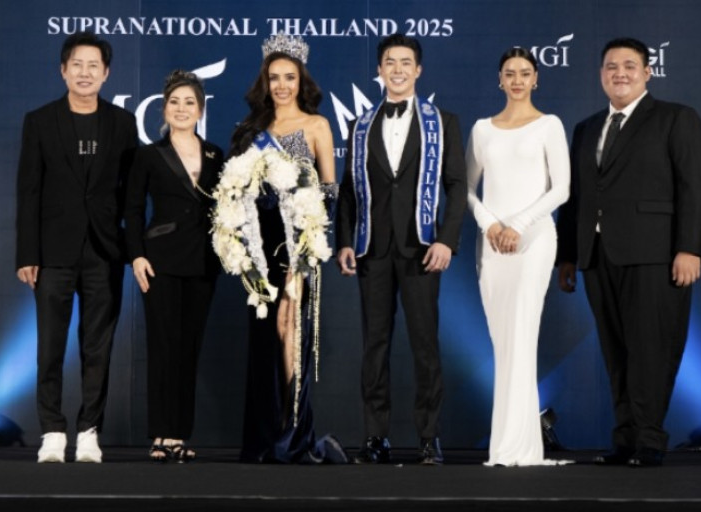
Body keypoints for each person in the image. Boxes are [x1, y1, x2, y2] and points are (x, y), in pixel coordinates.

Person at [557, 37, 701, 467]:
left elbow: (695, 189)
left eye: (629, 66)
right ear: (601, 74)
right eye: (611, 66)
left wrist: (689, 248)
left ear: (648, 72)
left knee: (652, 350)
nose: (619, 73)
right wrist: (567, 255)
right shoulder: (587, 128)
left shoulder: (676, 118)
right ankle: (625, 439)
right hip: (597, 255)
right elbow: (576, 198)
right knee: (616, 352)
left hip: (655, 255)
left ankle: (649, 440)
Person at [336, 34, 467, 465]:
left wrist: (446, 239)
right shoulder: (360, 124)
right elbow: (348, 191)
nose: (397, 69)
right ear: (379, 70)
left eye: (405, 62)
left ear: (418, 70)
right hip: (372, 247)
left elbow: (456, 185)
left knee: (425, 346)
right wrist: (344, 241)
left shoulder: (442, 122)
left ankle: (429, 438)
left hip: (421, 247)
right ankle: (376, 437)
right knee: (374, 346)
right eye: (390, 62)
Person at [15, 31, 138, 463]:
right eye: (77, 65)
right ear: (63, 70)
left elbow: (130, 193)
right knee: (50, 346)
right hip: (52, 252)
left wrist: (132, 247)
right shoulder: (39, 121)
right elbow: (28, 191)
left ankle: (88, 431)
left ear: (106, 74)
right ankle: (52, 431)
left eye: (93, 66)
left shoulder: (122, 123)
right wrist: (27, 254)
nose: (85, 73)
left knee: (97, 346)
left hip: (105, 251)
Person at [223, 33, 344, 463]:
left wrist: (309, 244)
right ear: (265, 81)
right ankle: (264, 434)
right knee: (263, 336)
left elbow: (329, 191)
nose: (281, 85)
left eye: (289, 77)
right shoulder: (251, 130)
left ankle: (292, 435)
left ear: (301, 80)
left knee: (290, 330)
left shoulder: (317, 125)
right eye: (274, 77)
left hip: (297, 243)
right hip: (260, 243)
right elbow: (236, 192)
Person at [465, 48, 570, 466]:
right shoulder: (481, 130)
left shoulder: (549, 125)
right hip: (492, 245)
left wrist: (518, 225)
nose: (517, 80)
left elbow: (561, 189)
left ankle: (517, 447)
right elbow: (466, 189)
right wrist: (490, 225)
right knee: (503, 342)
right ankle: (511, 444)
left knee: (522, 338)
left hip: (533, 241)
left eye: (525, 73)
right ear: (499, 79)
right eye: (509, 73)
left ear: (536, 78)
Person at [123, 70, 223, 462]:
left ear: (200, 110)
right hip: (160, 261)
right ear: (164, 109)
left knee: (188, 349)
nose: (182, 109)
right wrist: (136, 255)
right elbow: (133, 209)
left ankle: (180, 433)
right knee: (163, 347)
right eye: (174, 102)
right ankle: (160, 435)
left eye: (189, 102)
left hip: (203, 262)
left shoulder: (215, 154)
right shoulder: (149, 154)